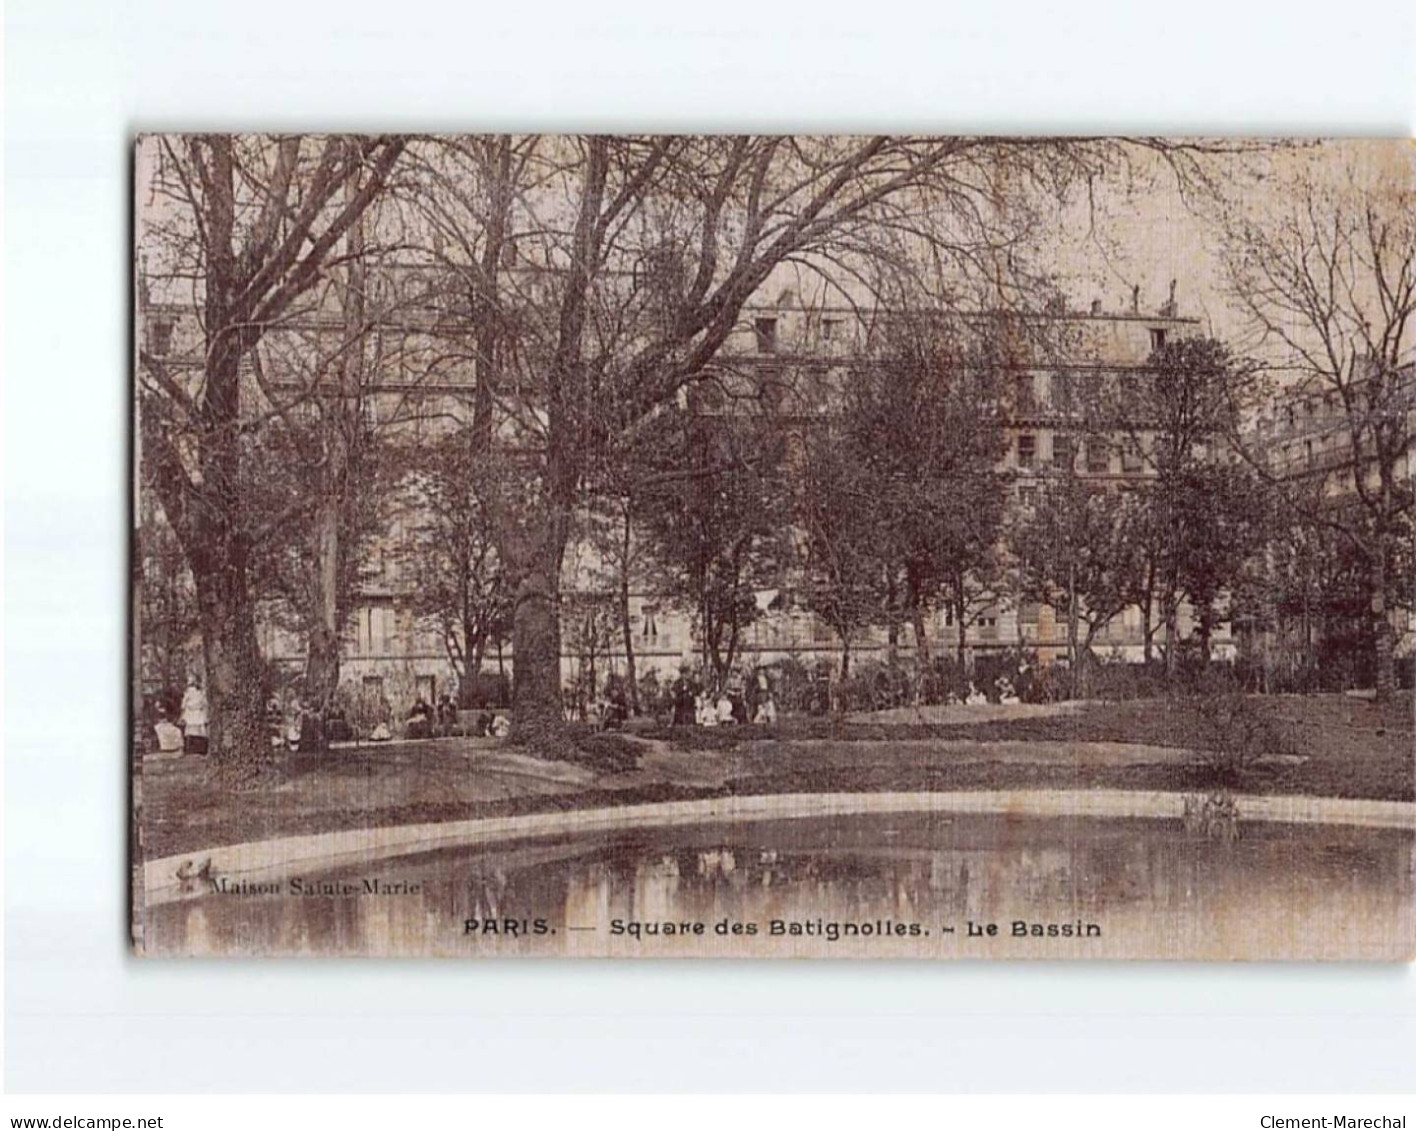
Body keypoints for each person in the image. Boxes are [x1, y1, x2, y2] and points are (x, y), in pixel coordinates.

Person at [180, 675, 209, 755]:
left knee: (192, 731)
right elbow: (204, 704)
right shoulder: (199, 693)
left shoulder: (194, 693)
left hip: (194, 713)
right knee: (196, 731)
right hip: (195, 713)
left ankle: (193, 749)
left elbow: (183, 705)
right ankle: (198, 749)